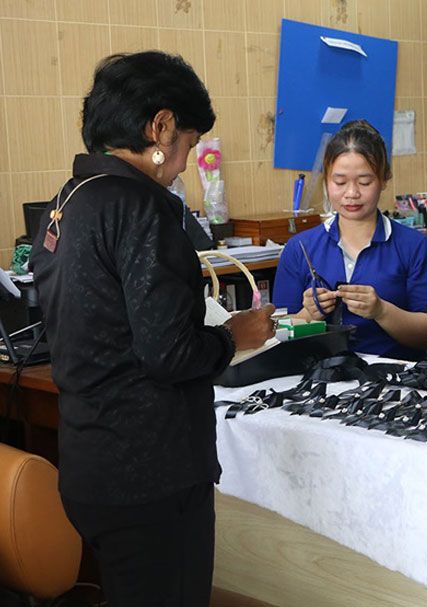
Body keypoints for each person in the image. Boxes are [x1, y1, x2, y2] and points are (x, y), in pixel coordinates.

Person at [29, 52, 276, 606]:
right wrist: (237, 334)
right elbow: (168, 353)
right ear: (160, 126)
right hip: (151, 476)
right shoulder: (141, 207)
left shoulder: (68, 202)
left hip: (91, 464)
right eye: (188, 142)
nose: (185, 161)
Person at [272, 120, 427, 360]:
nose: (352, 193)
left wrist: (382, 311)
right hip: (317, 381)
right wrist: (307, 316)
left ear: (384, 179)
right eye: (340, 182)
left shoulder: (414, 246)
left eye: (365, 182)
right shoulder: (299, 248)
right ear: (326, 180)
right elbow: (275, 332)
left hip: (397, 382)